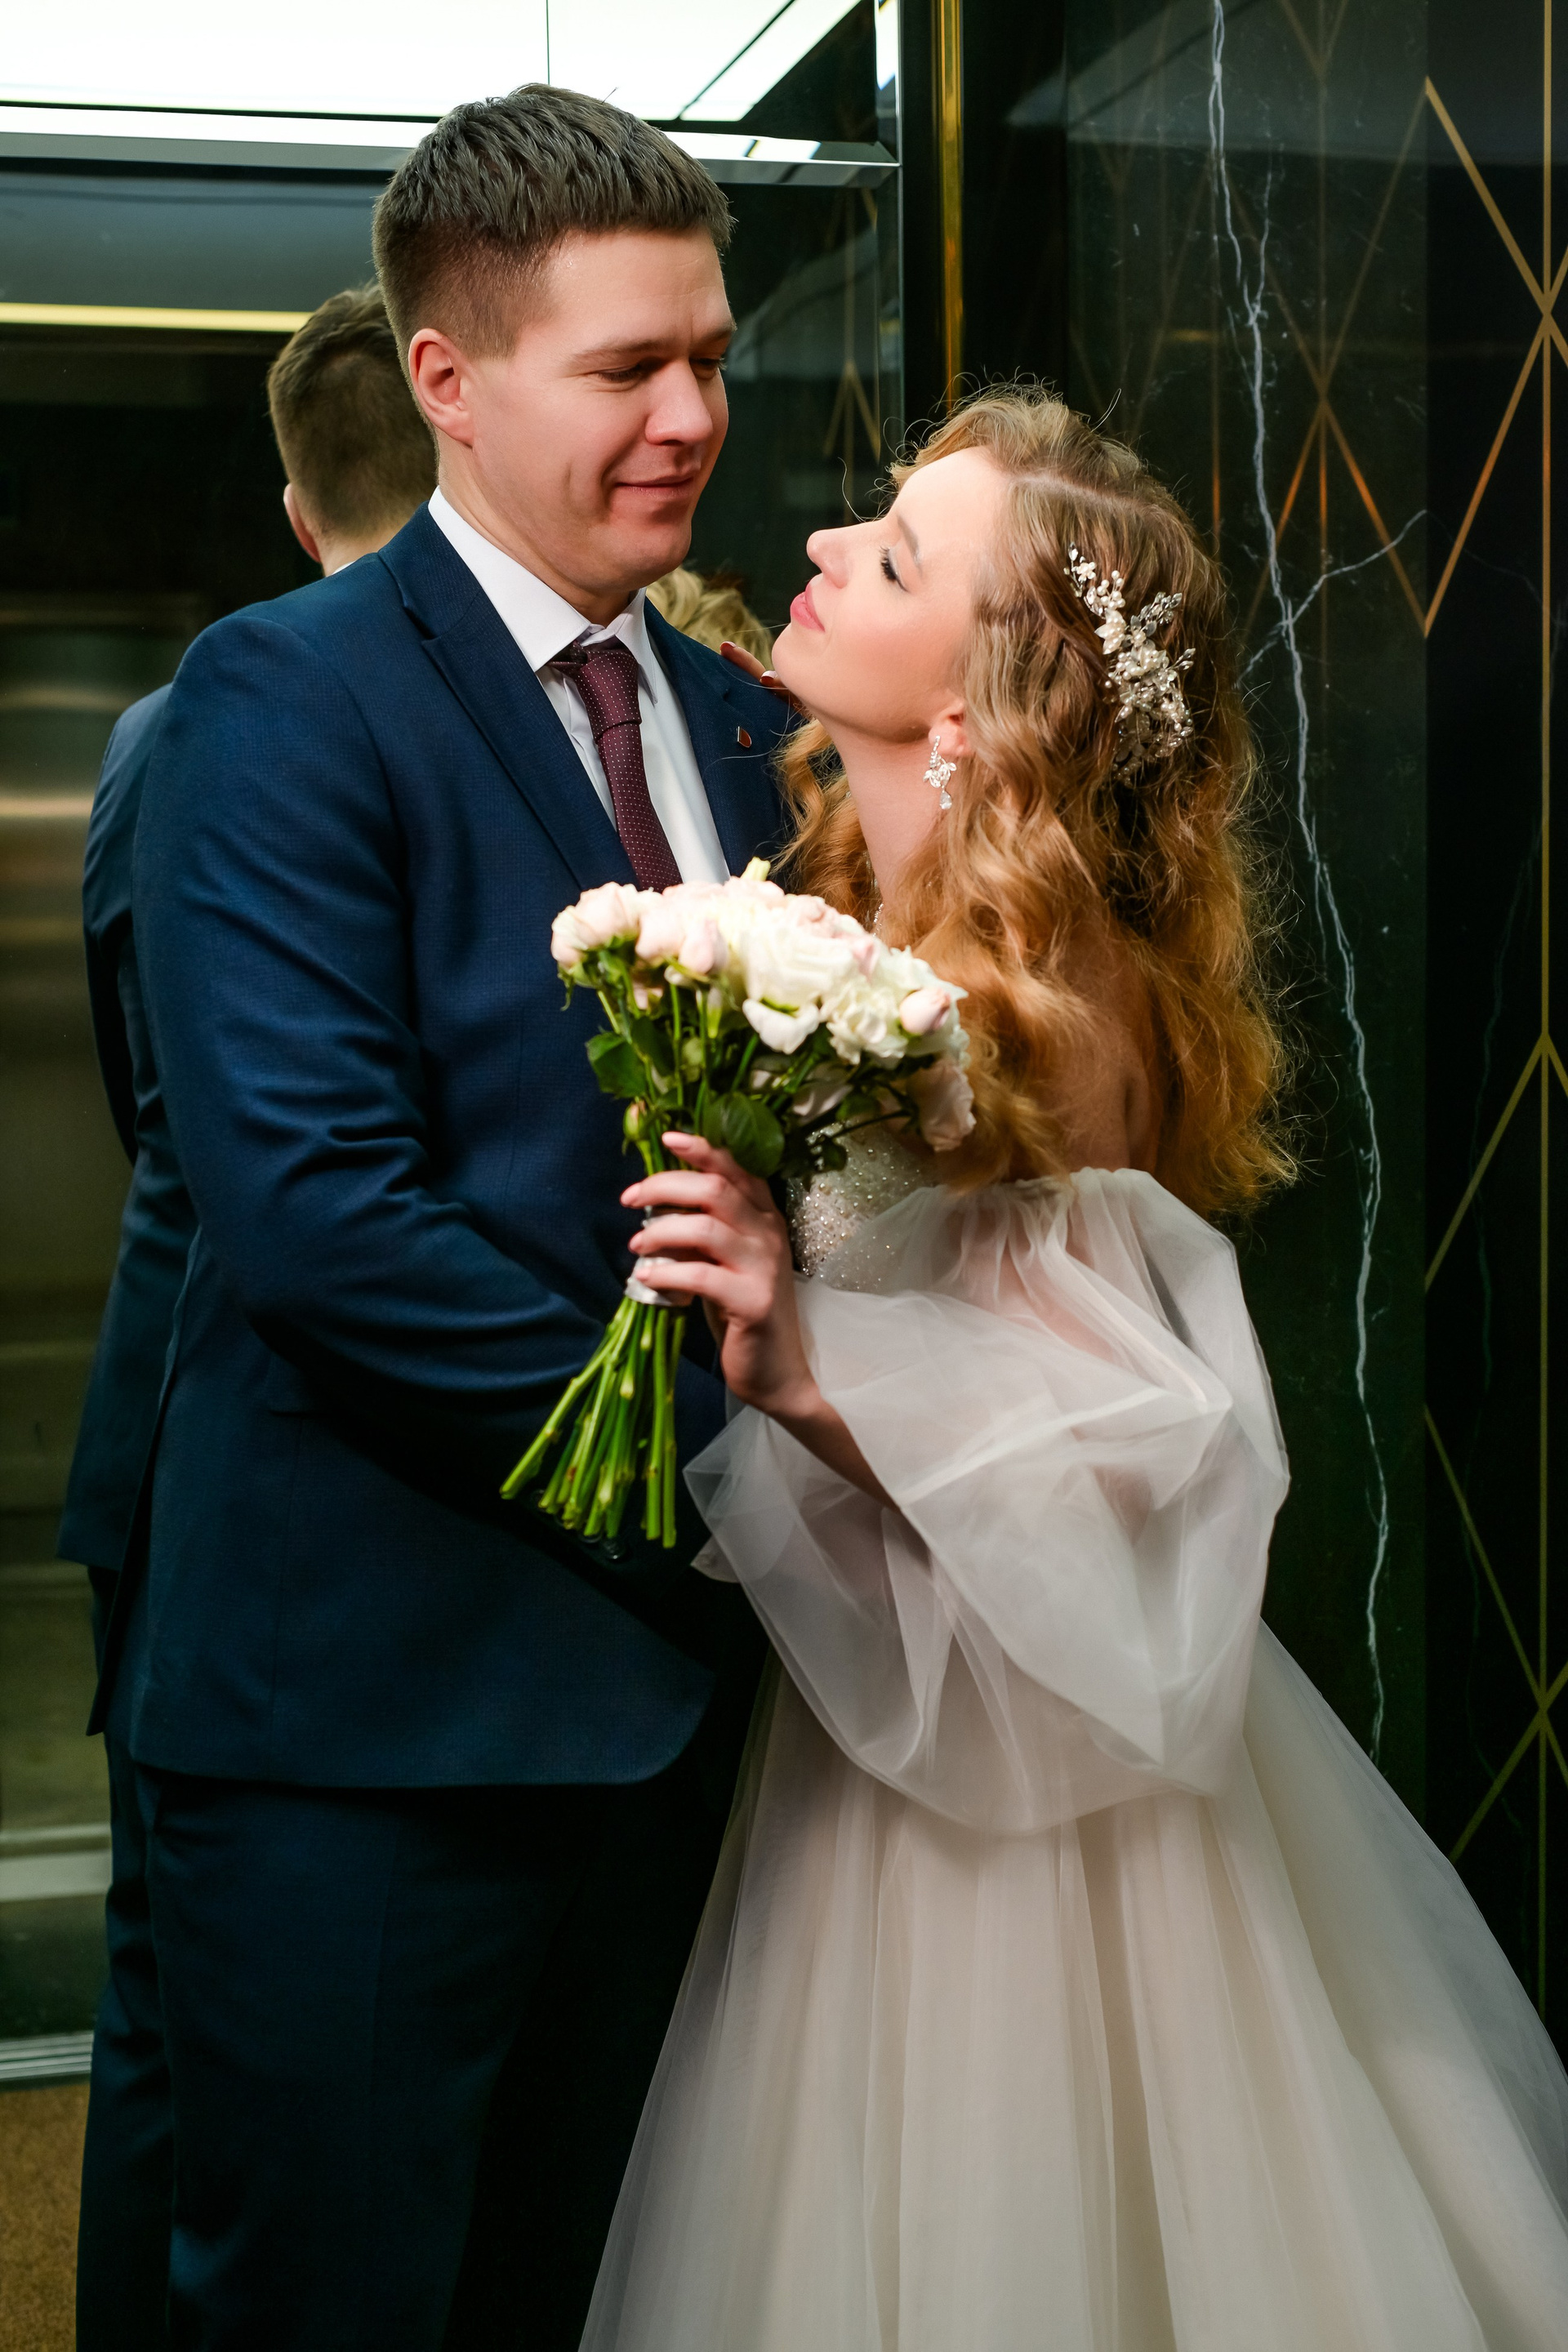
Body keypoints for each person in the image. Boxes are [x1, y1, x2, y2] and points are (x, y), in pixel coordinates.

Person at [583, 389, 1568, 2350]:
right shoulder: (871, 920)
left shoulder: (1035, 999)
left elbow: (1125, 1447)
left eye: (893, 557)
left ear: (983, 701)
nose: (824, 548)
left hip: (1022, 1791)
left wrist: (808, 1376)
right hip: (886, 1711)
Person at [88, 84, 790, 2352]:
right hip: (367, 1735)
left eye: (710, 356)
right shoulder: (278, 702)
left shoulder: (742, 722)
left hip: (688, 1730)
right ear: (447, 381)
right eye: (626, 368)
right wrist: (739, 1474)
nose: (690, 417)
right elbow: (318, 1215)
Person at [69, 280, 437, 2352]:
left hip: (164, 1415)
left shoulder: (155, 735)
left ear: (302, 508)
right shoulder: (271, 718)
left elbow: (146, 1096)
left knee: (164, 2009)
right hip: (257, 1442)